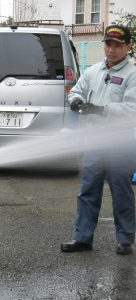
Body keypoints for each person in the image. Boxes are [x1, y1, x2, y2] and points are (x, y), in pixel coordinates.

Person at [61, 24, 136, 255]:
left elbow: (132, 109)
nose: (111, 49)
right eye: (108, 44)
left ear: (128, 46)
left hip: (119, 144)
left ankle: (125, 240)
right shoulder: (93, 71)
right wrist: (74, 100)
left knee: (121, 191)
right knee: (88, 191)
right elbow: (77, 91)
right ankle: (83, 238)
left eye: (117, 45)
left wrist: (102, 110)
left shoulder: (132, 75)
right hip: (94, 142)